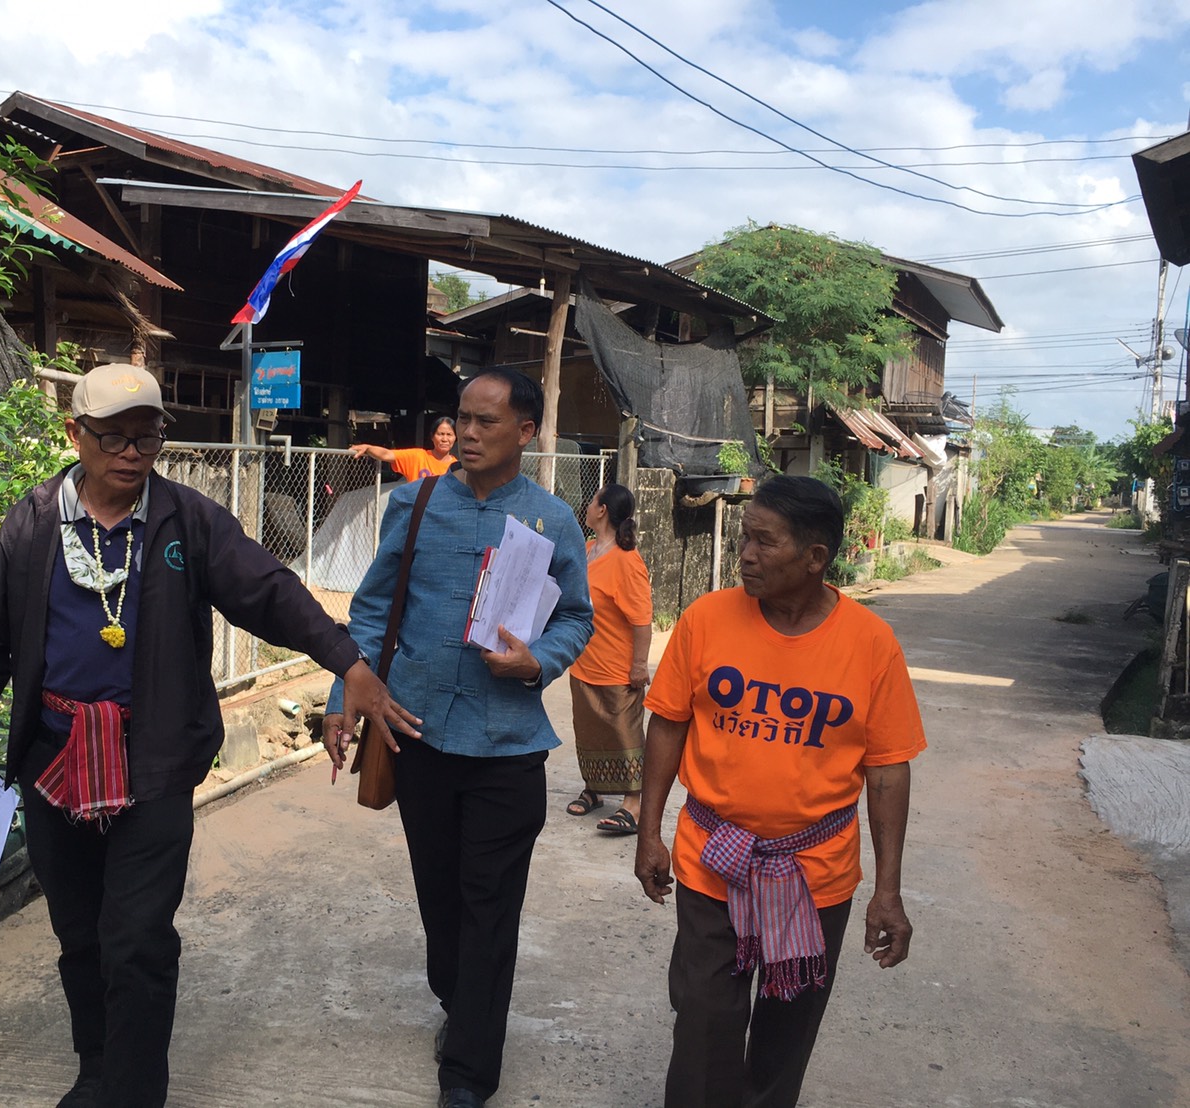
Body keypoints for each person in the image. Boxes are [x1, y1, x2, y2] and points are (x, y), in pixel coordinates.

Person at [0, 362, 414, 1108]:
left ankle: (135, 1090)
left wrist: (348, 661)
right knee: (81, 936)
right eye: (112, 436)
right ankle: (97, 1068)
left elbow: (269, 593)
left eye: (146, 435)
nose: (131, 451)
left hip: (150, 764)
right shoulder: (32, 520)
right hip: (55, 760)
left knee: (138, 940)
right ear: (73, 434)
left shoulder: (187, 521)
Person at [323, 368, 593, 1108]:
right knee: (440, 896)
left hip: (508, 749)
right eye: (462, 420)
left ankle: (469, 1072)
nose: (468, 434)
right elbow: (372, 613)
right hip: (416, 738)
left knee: (490, 905)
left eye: (486, 423)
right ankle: (458, 1000)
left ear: (526, 434)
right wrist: (340, 699)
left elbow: (577, 616)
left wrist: (541, 660)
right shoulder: (413, 507)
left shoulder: (550, 520)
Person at [635, 475, 926, 1108]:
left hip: (815, 875)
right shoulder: (706, 618)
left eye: (765, 542)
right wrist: (648, 830)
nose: (745, 554)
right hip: (714, 863)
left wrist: (889, 890)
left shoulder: (870, 644)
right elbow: (669, 722)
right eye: (745, 537)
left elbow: (887, 770)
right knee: (705, 1022)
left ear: (816, 557)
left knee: (784, 1035)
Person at [564, 482, 652, 835]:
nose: (587, 505)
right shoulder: (587, 550)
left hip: (617, 667)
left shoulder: (627, 561)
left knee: (624, 733)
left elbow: (642, 619)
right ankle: (595, 789)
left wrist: (639, 665)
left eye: (592, 501)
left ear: (602, 511)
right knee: (588, 729)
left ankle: (633, 803)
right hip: (585, 661)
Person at [349, 415, 457, 481]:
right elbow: (387, 454)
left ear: (455, 438)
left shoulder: (458, 467)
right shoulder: (417, 457)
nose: (444, 439)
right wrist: (368, 448)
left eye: (449, 435)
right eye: (440, 434)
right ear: (432, 437)